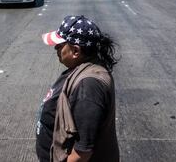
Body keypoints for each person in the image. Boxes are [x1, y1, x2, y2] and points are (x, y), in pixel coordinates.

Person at [36, 15, 119, 162]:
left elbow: (82, 152)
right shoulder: (78, 69)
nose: (55, 48)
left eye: (60, 45)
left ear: (75, 51)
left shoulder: (88, 88)